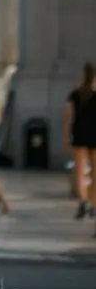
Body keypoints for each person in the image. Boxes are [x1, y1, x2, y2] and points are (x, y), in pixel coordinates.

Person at [63, 62, 96, 219]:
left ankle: (83, 201)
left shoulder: (75, 95)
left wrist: (66, 137)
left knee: (79, 172)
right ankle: (93, 204)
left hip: (80, 136)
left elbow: (67, 117)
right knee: (95, 173)